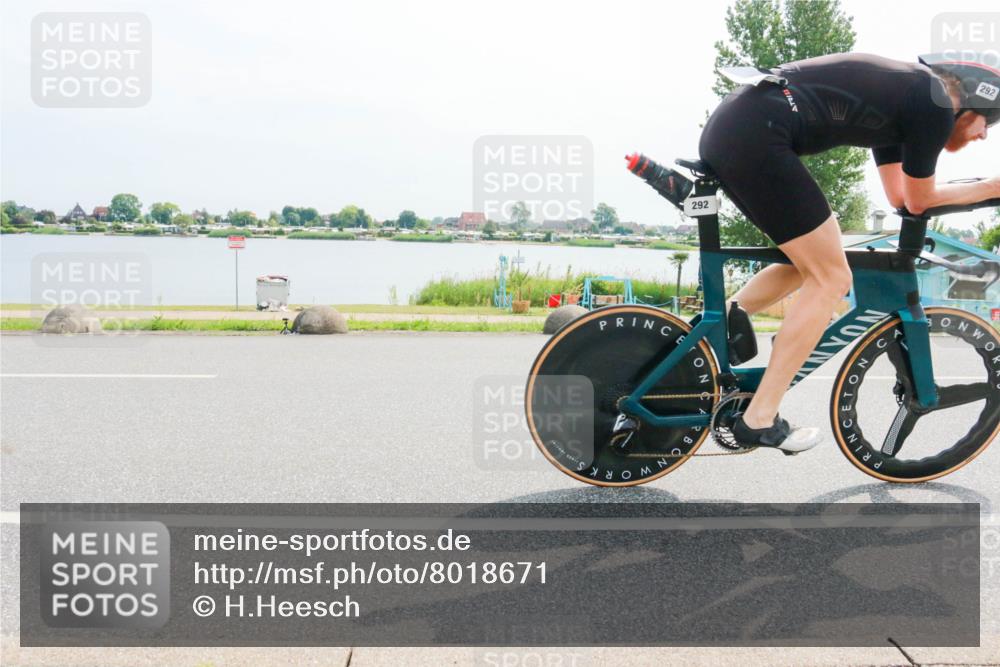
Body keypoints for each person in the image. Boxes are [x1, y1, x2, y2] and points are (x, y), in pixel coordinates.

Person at [698, 52, 1000, 453]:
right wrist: (990, 188)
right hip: (759, 132)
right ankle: (759, 417)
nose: (984, 135)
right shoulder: (936, 103)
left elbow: (903, 198)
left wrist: (976, 191)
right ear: (974, 102)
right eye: (989, 122)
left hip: (740, 126)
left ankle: (694, 342)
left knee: (812, 262)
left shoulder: (910, 99)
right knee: (833, 277)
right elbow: (921, 196)